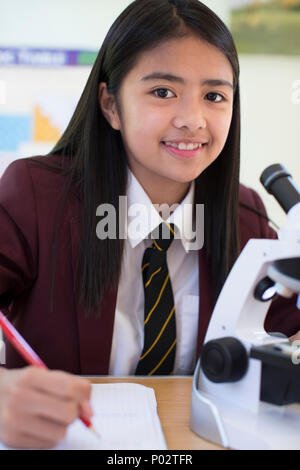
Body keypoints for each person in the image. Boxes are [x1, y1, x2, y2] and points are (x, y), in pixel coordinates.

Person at [0, 0, 299, 449]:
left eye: (214, 96)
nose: (192, 120)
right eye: (163, 92)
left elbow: (282, 329)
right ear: (110, 104)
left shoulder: (248, 217)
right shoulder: (34, 194)